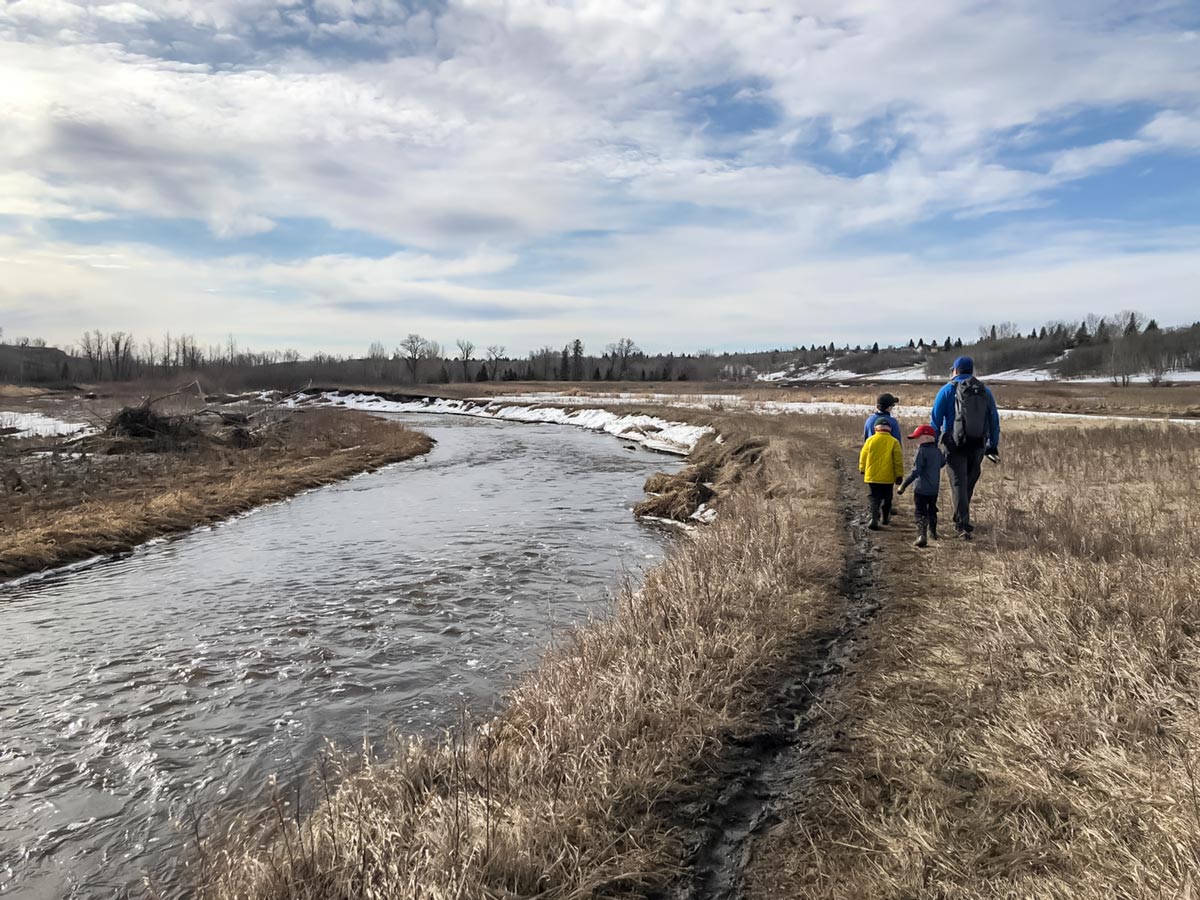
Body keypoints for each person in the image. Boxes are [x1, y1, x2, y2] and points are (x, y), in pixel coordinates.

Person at [930, 356, 1000, 540]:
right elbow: (993, 419)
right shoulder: (984, 391)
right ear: (971, 370)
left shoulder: (947, 390)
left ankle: (962, 525)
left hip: (954, 444)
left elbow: (935, 419)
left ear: (955, 370)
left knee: (958, 483)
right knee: (968, 481)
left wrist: (933, 441)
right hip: (978, 444)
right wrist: (992, 445)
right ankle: (961, 516)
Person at [897, 424, 945, 548]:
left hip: (920, 488)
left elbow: (915, 471)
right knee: (932, 509)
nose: (916, 441)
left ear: (926, 438)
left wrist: (904, 485)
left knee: (920, 511)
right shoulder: (937, 451)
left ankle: (921, 535)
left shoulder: (921, 451)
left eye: (918, 438)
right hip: (934, 488)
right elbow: (942, 463)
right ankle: (933, 533)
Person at [858, 420, 904, 531]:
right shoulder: (894, 442)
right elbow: (898, 460)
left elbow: (863, 456)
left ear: (875, 429)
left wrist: (862, 468)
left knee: (874, 497)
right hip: (888, 478)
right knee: (887, 498)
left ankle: (874, 517)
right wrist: (899, 475)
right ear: (890, 430)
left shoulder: (870, 440)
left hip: (872, 477)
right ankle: (885, 517)